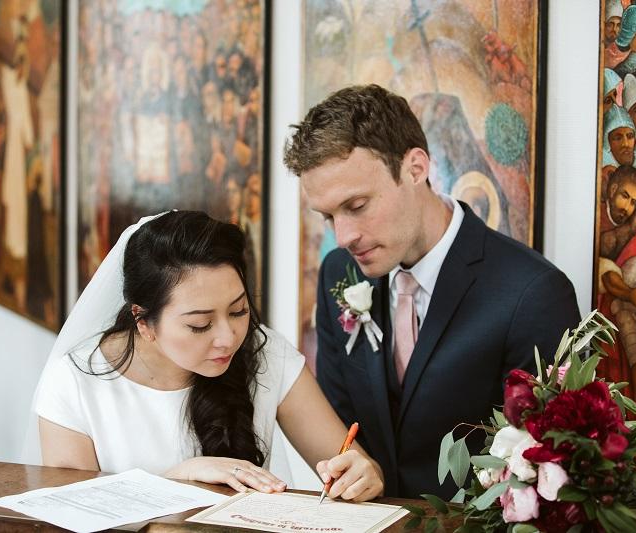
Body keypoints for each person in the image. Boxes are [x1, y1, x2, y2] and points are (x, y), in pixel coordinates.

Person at [282, 84, 580, 499]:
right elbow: (342, 426)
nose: (343, 236)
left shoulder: (532, 294)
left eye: (357, 205)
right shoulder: (339, 273)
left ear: (416, 168)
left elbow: (545, 471)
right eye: (328, 215)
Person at [34, 211, 384, 501]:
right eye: (200, 325)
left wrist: (361, 473)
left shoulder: (266, 354)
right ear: (143, 321)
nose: (228, 338)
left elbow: (350, 460)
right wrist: (177, 479)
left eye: (238, 311)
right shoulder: (76, 382)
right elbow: (74, 516)